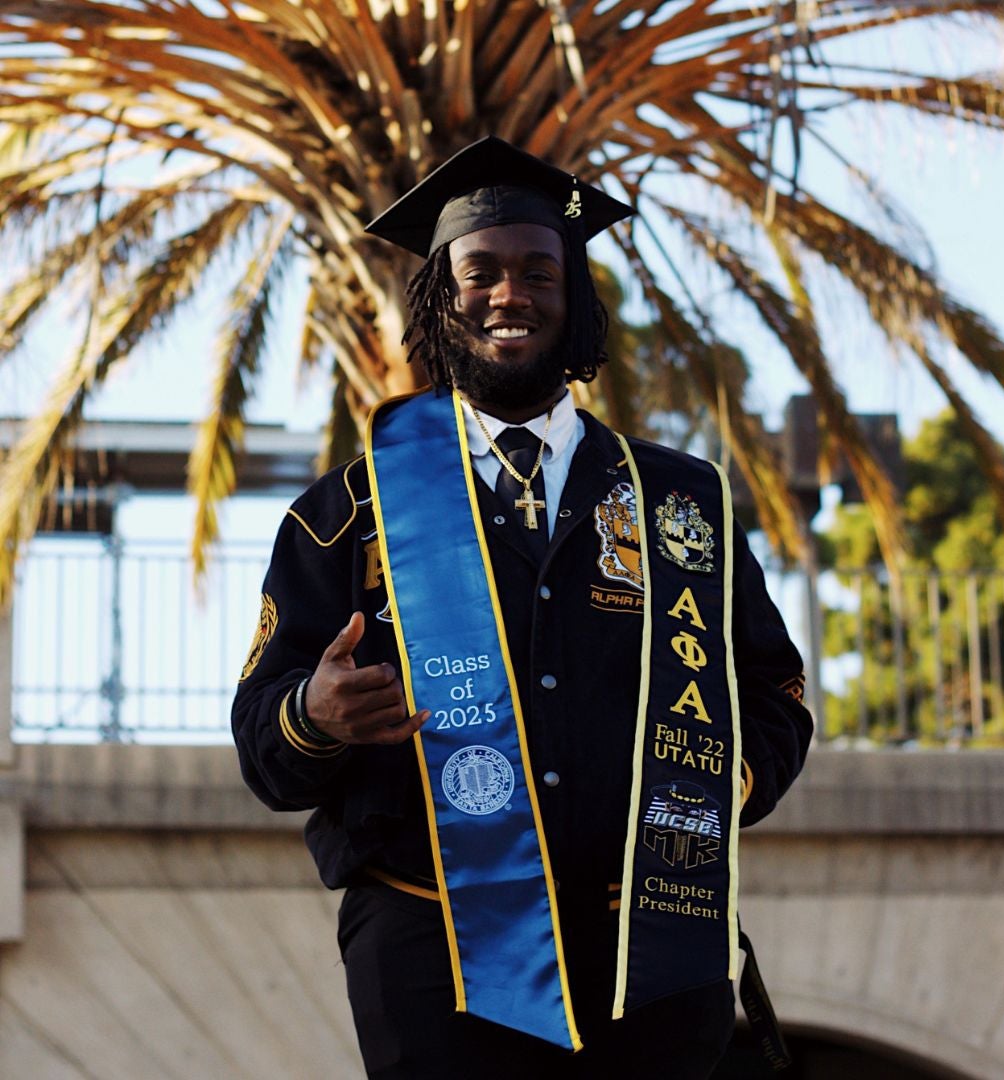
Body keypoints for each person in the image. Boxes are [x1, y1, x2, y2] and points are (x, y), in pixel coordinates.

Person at [232, 137, 812, 1079]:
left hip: (652, 952)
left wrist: (717, 787)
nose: (512, 295)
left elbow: (774, 691)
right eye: (481, 273)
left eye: (540, 273)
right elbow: (264, 737)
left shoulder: (678, 506)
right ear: (440, 297)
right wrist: (315, 715)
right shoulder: (347, 515)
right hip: (438, 960)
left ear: (573, 297)